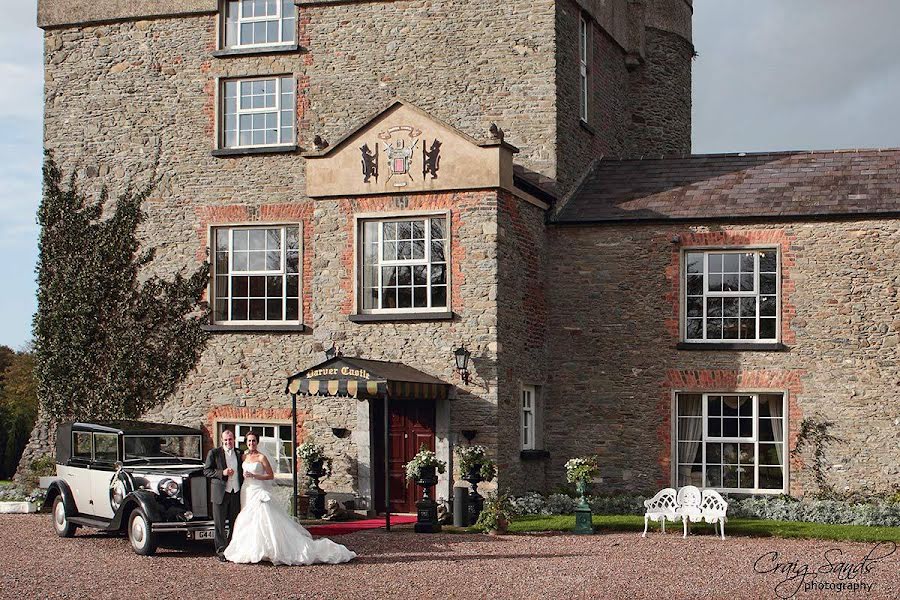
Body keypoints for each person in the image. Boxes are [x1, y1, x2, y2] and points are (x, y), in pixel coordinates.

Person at [223, 430, 357, 566]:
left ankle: (269, 549)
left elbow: (270, 476)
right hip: (247, 490)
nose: (251, 443)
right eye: (249, 441)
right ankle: (251, 548)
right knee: (247, 520)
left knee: (263, 519)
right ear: (246, 443)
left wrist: (255, 476)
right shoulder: (244, 456)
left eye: (253, 441)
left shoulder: (261, 457)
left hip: (259, 490)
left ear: (257, 442)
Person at [203, 428, 244, 562]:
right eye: (225, 439)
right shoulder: (214, 453)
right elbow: (207, 471)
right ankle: (221, 551)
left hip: (236, 492)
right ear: (222, 440)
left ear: (234, 440)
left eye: (230, 439)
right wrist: (222, 473)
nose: (228, 442)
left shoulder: (239, 453)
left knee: (235, 523)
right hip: (220, 493)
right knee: (219, 524)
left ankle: (232, 549)